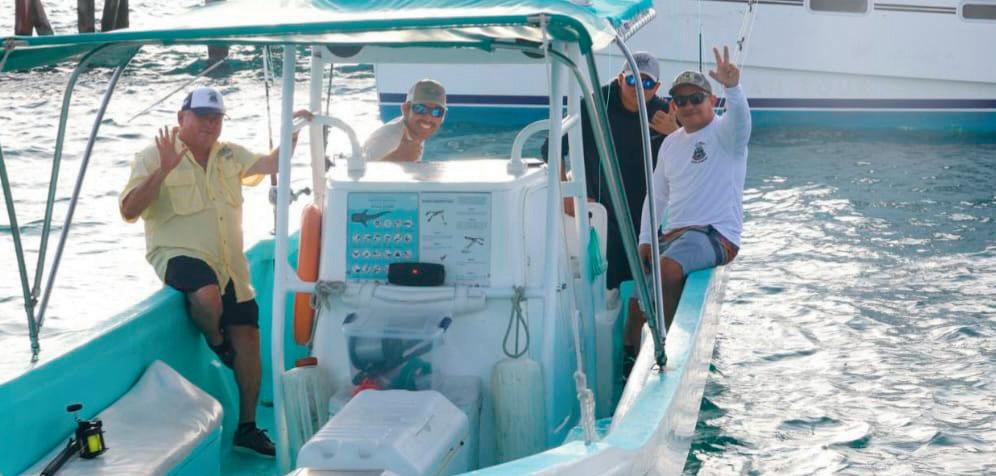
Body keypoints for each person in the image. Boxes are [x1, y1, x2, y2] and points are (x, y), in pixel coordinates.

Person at [119, 86, 312, 457]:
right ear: (182, 118)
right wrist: (162, 170)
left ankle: (248, 428)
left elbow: (272, 164)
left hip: (230, 266)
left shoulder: (229, 154)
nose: (210, 125)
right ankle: (216, 340)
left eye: (216, 118)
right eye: (202, 117)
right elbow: (129, 210)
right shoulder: (152, 155)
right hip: (178, 254)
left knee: (250, 340)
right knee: (206, 295)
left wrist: (293, 131)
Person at [541, 52, 678, 362]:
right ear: (619, 79)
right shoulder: (594, 105)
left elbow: (697, 156)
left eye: (646, 83)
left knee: (654, 282)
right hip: (602, 213)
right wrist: (566, 195)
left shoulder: (663, 113)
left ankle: (643, 344)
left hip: (647, 214)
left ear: (656, 88)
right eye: (631, 80)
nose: (637, 88)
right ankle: (605, 351)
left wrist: (675, 134)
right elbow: (551, 147)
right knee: (606, 282)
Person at [637, 46, 751, 334]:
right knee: (635, 308)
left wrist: (733, 88)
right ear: (673, 106)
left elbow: (741, 121)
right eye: (681, 101)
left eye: (696, 99)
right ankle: (633, 352)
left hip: (716, 234)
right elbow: (657, 195)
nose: (688, 106)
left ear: (711, 100)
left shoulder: (727, 134)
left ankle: (665, 344)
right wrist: (646, 238)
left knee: (667, 269)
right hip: (673, 236)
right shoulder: (670, 143)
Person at [364, 79, 447, 162]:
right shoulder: (386, 139)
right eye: (420, 109)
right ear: (406, 109)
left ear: (443, 116)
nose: (428, 118)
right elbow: (362, 169)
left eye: (437, 112)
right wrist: (397, 157)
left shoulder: (415, 132)